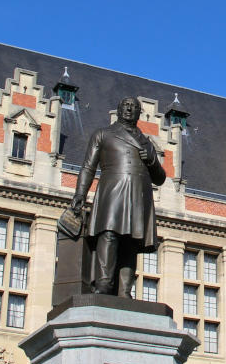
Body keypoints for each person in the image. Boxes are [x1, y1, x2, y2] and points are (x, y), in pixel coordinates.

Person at [70, 97, 166, 296]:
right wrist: (80, 193)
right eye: (126, 105)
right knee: (109, 233)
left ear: (140, 113)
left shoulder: (146, 143)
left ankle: (125, 290)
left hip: (139, 194)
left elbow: (160, 178)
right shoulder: (103, 134)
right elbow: (88, 167)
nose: (130, 109)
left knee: (132, 239)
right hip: (112, 189)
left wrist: (153, 161)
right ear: (119, 109)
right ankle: (104, 282)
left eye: (134, 107)